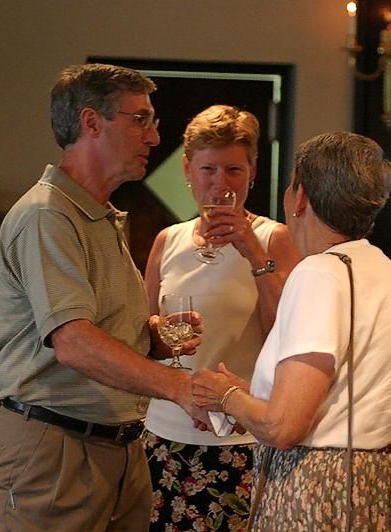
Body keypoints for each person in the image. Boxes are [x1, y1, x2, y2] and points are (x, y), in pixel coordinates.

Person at [0, 63, 207, 531]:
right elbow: (74, 343)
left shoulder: (99, 216)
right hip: (53, 453)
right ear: (91, 122)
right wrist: (179, 386)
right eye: (140, 119)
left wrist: (150, 337)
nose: (154, 137)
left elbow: (94, 331)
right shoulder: (47, 215)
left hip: (117, 452)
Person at [192, 131, 391, 531]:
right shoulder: (386, 271)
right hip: (382, 479)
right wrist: (247, 395)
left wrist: (225, 396)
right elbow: (339, 395)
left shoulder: (319, 273)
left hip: (324, 488)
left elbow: (283, 427)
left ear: (300, 197)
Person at [141, 104, 299, 530]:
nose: (220, 184)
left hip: (241, 438)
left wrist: (252, 252)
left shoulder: (274, 238)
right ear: (187, 170)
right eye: (208, 169)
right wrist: (160, 334)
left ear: (252, 173)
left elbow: (287, 336)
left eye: (233, 170)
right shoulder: (167, 240)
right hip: (164, 433)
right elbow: (142, 336)